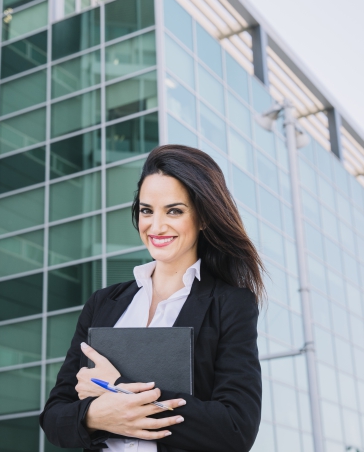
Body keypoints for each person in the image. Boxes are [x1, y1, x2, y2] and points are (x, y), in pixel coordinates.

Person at [40, 145, 264, 452]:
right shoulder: (103, 304)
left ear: (203, 218)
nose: (156, 226)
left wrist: (117, 393)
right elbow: (54, 418)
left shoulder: (230, 304)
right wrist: (93, 416)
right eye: (147, 210)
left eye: (174, 210)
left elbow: (235, 429)